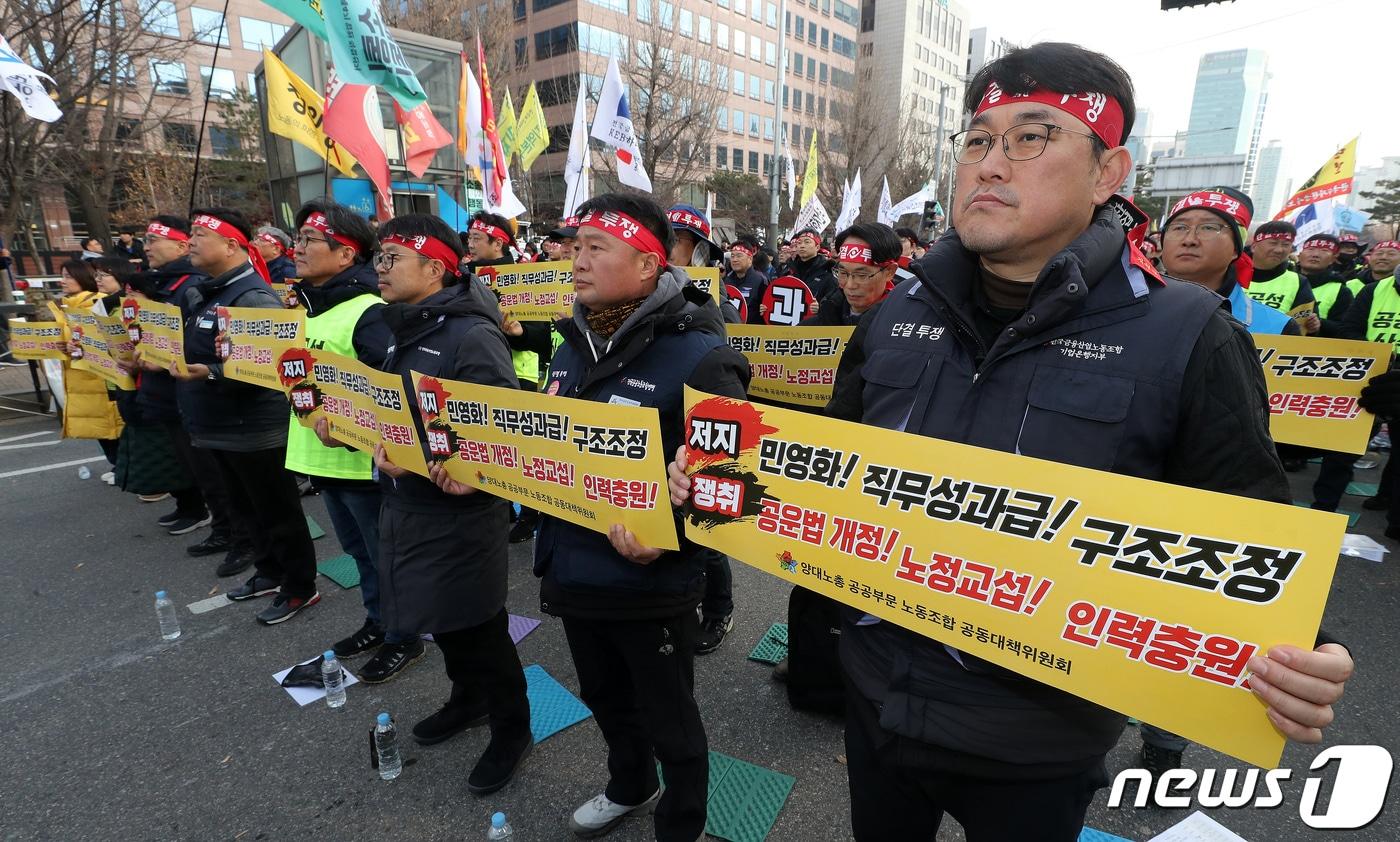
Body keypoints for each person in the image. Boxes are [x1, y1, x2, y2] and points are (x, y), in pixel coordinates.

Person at [670, 42, 1354, 841]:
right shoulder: (896, 314)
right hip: (877, 694)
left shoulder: (1190, 336)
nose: (992, 164)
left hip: (1039, 740)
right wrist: (718, 478)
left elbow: (1251, 537)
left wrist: (1306, 651)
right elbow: (825, 466)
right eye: (978, 139)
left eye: (1032, 138)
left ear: (1108, 172)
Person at [523, 193, 749, 841]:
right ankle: (630, 783)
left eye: (597, 248)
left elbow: (729, 489)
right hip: (573, 569)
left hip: (650, 586)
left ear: (649, 266)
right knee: (605, 700)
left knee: (670, 722)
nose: (577, 260)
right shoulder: (570, 344)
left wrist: (666, 540)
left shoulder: (701, 358)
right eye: (576, 246)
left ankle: (680, 826)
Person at [367, 213, 533, 794]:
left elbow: (500, 435)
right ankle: (469, 701)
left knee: (479, 625)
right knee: (444, 623)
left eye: (391, 259)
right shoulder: (406, 326)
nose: (379, 268)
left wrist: (420, 460)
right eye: (378, 258)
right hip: (409, 503)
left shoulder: (471, 335)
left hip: (461, 513)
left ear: (434, 268)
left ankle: (513, 727)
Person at [283, 200, 415, 681]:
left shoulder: (368, 311)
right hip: (322, 459)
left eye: (309, 241)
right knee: (360, 555)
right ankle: (378, 622)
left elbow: (391, 391)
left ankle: (405, 637)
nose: (296, 249)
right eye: (296, 240)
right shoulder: (307, 309)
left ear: (345, 255)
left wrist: (349, 425)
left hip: (361, 463)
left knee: (384, 556)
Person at [172, 208, 319, 625]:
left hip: (254, 430)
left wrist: (213, 372)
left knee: (278, 512)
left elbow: (274, 368)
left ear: (232, 245)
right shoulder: (209, 292)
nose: (192, 242)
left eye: (200, 234)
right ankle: (270, 572)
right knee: (247, 511)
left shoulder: (252, 297)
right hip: (218, 427)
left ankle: (299, 587)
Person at [466, 210, 553, 543]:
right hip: (478, 372)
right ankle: (500, 504)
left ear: (497, 242)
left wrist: (517, 333)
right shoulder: (465, 278)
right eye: (470, 237)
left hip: (519, 374)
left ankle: (531, 514)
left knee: (524, 449)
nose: (470, 244)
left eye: (477, 238)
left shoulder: (523, 278)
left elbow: (541, 333)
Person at [1159, 189, 1298, 336]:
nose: (1189, 240)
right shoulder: (1133, 308)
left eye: (1209, 227)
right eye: (1179, 228)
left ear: (1236, 249)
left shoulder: (1277, 328)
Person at [56, 258, 122, 479]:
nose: (63, 281)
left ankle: (123, 468)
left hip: (100, 378)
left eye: (68, 276)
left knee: (112, 426)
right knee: (100, 427)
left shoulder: (100, 303)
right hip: (81, 376)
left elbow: (109, 341)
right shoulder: (68, 307)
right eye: (62, 275)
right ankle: (119, 467)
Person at [1293, 234, 1354, 336]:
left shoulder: (1341, 291)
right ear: (1300, 254)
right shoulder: (1282, 280)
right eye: (1311, 249)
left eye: (1324, 251)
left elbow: (1346, 329)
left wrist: (1318, 323)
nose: (1315, 254)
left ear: (1334, 258)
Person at [781, 228, 838, 302]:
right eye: (799, 243)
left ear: (817, 247)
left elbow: (833, 304)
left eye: (807, 242)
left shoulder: (827, 273)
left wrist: (820, 307)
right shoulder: (788, 271)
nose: (802, 246)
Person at [721, 239, 768, 323]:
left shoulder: (761, 280)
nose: (734, 260)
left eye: (739, 256)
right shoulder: (726, 280)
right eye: (732, 256)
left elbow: (767, 309)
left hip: (752, 332)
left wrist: (765, 309)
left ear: (750, 259)